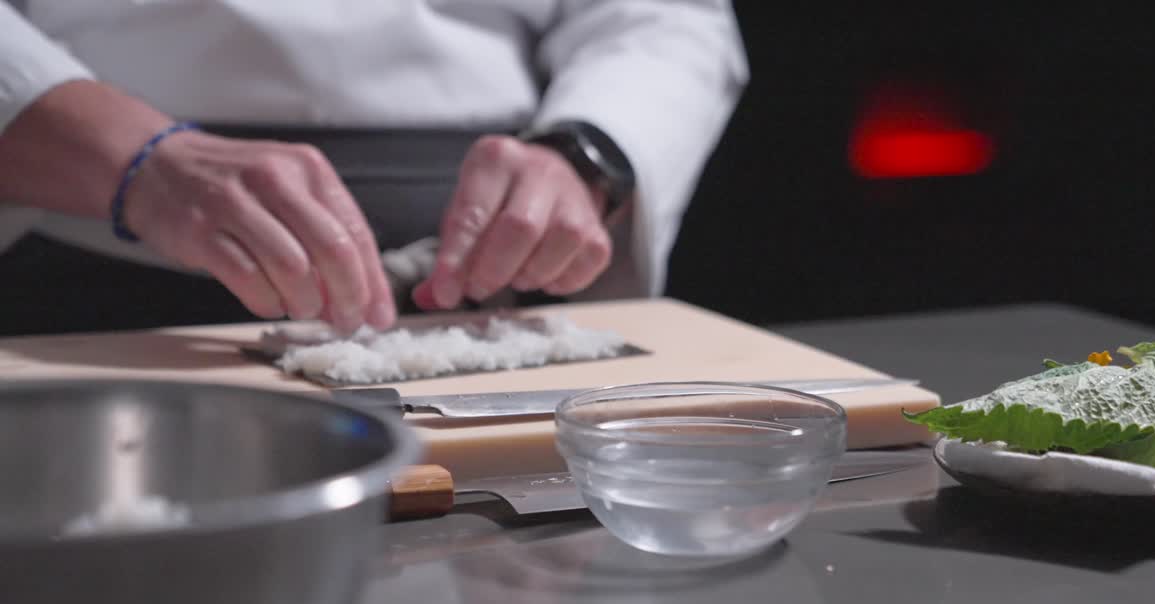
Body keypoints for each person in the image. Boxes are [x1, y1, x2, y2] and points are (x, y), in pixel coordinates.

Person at [0, 1, 747, 335]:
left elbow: (664, 16)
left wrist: (586, 152)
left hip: (492, 316)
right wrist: (144, 162)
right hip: (101, 301)